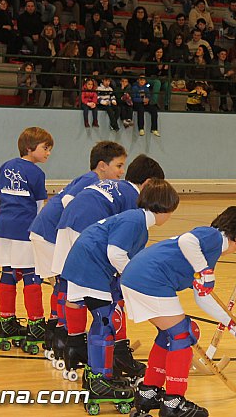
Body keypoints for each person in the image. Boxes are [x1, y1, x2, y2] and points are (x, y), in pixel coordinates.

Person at [123, 206, 236, 417]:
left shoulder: (207, 250)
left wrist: (234, 326)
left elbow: (202, 297)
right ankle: (174, 402)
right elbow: (187, 240)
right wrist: (205, 271)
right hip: (149, 279)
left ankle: (149, 392)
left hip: (136, 277)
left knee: (173, 333)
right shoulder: (213, 237)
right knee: (182, 335)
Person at [60, 179, 179, 402]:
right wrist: (132, 276)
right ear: (165, 208)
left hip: (84, 261)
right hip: (90, 265)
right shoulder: (135, 221)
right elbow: (115, 253)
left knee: (104, 319)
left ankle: (96, 374)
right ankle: (100, 380)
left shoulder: (137, 223)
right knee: (105, 321)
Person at [50, 155, 165, 374]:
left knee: (73, 289)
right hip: (89, 232)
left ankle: (71, 344)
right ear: (149, 184)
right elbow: (119, 246)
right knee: (113, 292)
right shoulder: (135, 201)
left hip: (66, 225)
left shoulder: (116, 186)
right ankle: (119, 352)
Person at [29, 140, 126, 359]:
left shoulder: (92, 181)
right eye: (118, 166)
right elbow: (69, 203)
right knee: (67, 284)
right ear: (102, 165)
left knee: (64, 284)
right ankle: (64, 337)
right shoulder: (92, 180)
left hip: (49, 232)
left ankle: (57, 334)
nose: (122, 171)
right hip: (52, 234)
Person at [0, 127, 54, 352]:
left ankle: (6, 323)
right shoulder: (36, 173)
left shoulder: (6, 166)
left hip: (4, 229)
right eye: (45, 148)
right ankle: (36, 326)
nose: (48, 153)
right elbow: (38, 207)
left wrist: (7, 211)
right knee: (31, 276)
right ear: (29, 148)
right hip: (24, 231)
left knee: (8, 273)